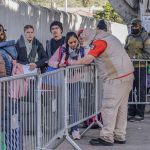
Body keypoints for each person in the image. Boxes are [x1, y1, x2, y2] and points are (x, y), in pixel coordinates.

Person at [77, 19, 134, 146]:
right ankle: (120, 135)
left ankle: (107, 137)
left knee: (109, 107)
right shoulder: (110, 37)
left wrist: (72, 63)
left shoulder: (99, 42)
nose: (81, 41)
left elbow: (87, 59)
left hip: (115, 78)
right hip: (127, 75)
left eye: (82, 39)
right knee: (121, 108)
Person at [48, 32, 85, 140]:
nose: (73, 44)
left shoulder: (82, 50)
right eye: (70, 42)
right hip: (62, 81)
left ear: (77, 40)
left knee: (74, 105)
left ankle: (75, 129)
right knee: (61, 105)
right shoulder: (62, 49)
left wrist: (70, 64)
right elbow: (51, 61)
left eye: (74, 42)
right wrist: (58, 64)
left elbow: (85, 61)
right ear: (67, 42)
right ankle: (61, 129)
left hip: (75, 81)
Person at [125, 18, 150, 121]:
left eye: (136, 26)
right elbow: (125, 49)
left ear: (140, 26)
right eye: (132, 26)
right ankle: (131, 112)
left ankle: (140, 113)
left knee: (140, 91)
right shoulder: (129, 36)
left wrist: (136, 56)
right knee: (129, 90)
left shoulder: (145, 38)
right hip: (129, 67)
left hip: (141, 67)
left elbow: (148, 54)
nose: (133, 28)